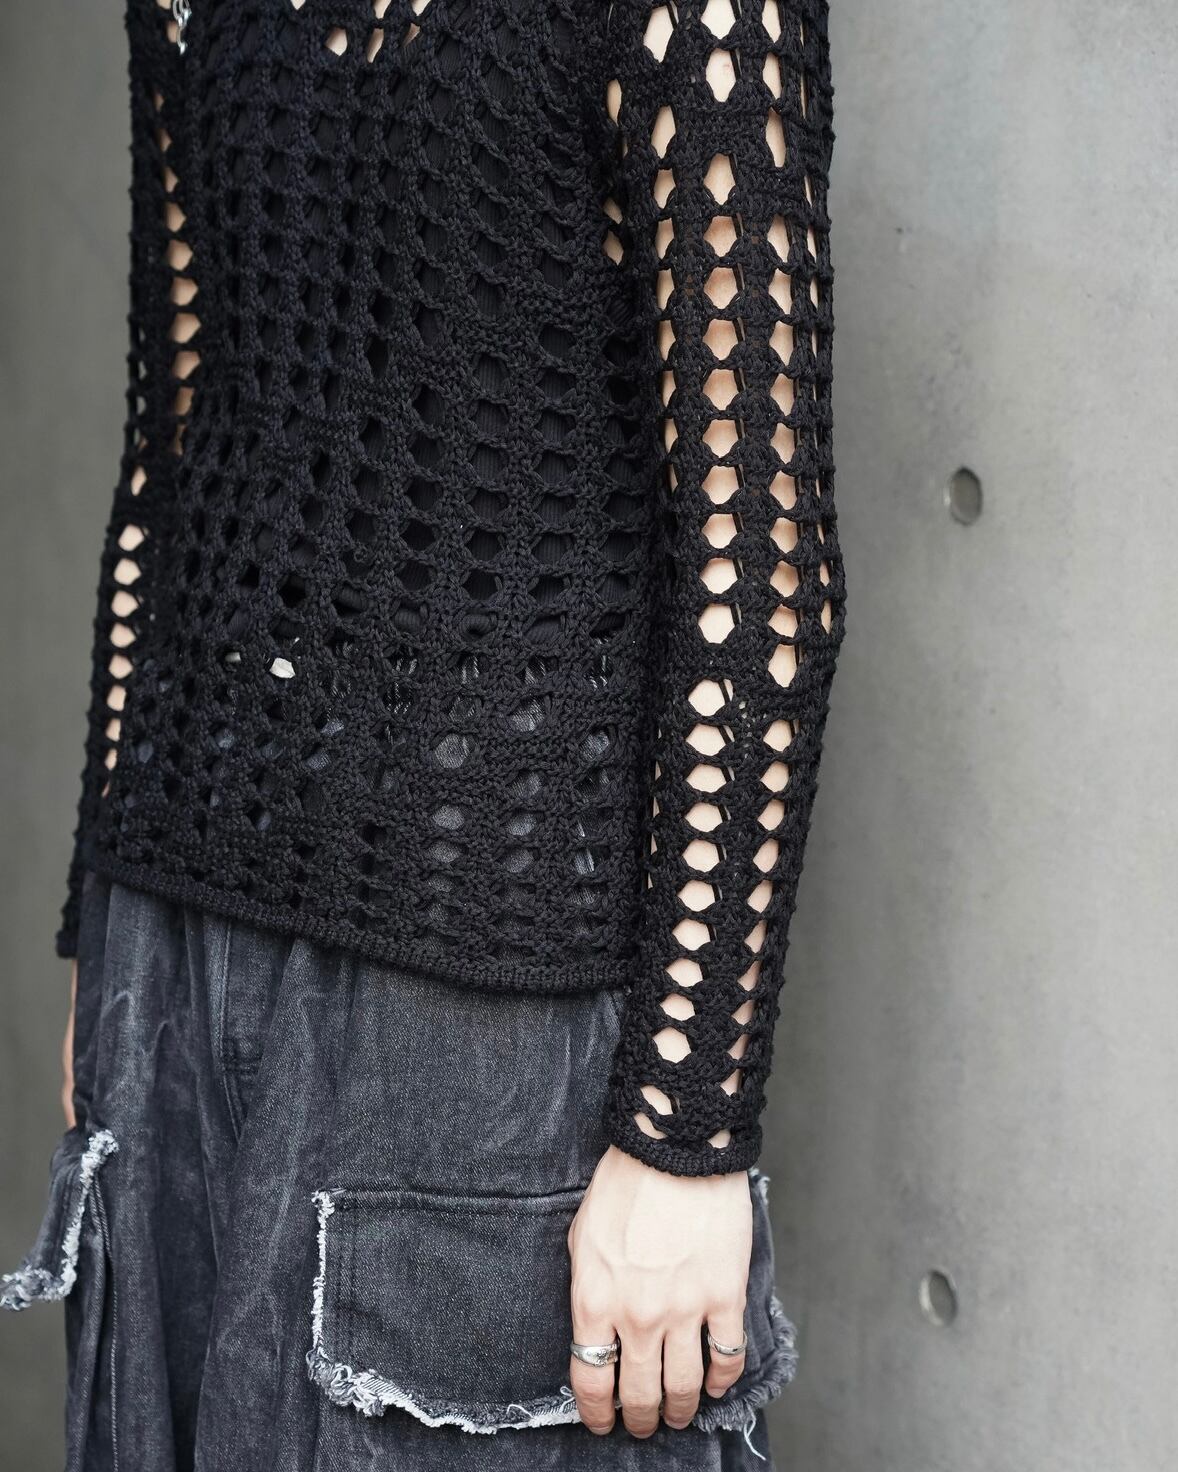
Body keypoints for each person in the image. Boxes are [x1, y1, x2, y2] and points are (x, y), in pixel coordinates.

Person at [3, 0, 845, 1467]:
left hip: (479, 956)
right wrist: (101, 921)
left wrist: (685, 1127)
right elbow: (174, 461)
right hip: (179, 919)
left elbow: (756, 569)